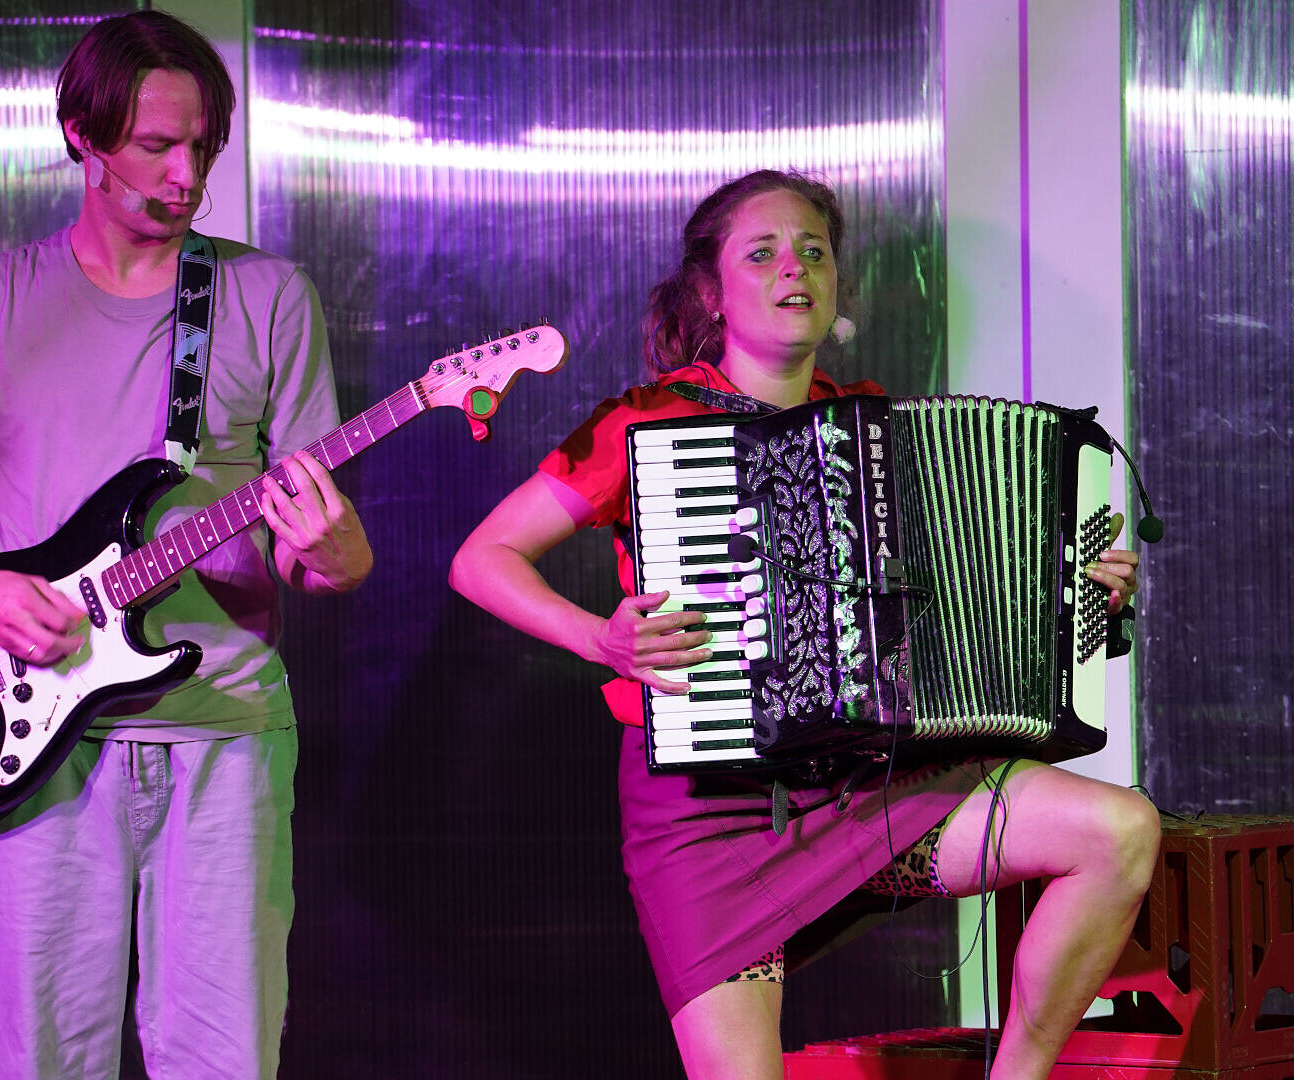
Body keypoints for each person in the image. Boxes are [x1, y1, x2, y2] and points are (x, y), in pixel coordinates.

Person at [449, 169, 1160, 1080]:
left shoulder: (880, 428)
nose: (795, 267)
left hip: (865, 790)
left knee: (1119, 831)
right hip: (704, 817)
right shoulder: (648, 421)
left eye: (813, 251)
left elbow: (960, 603)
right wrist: (601, 638)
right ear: (710, 293)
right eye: (763, 253)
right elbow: (483, 558)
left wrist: (1068, 591)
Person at [0, 12, 372, 1078]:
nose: (187, 176)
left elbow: (319, 562)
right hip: (42, 744)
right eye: (156, 146)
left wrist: (336, 549)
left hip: (224, 736)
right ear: (83, 134)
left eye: (203, 146)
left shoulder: (268, 297)